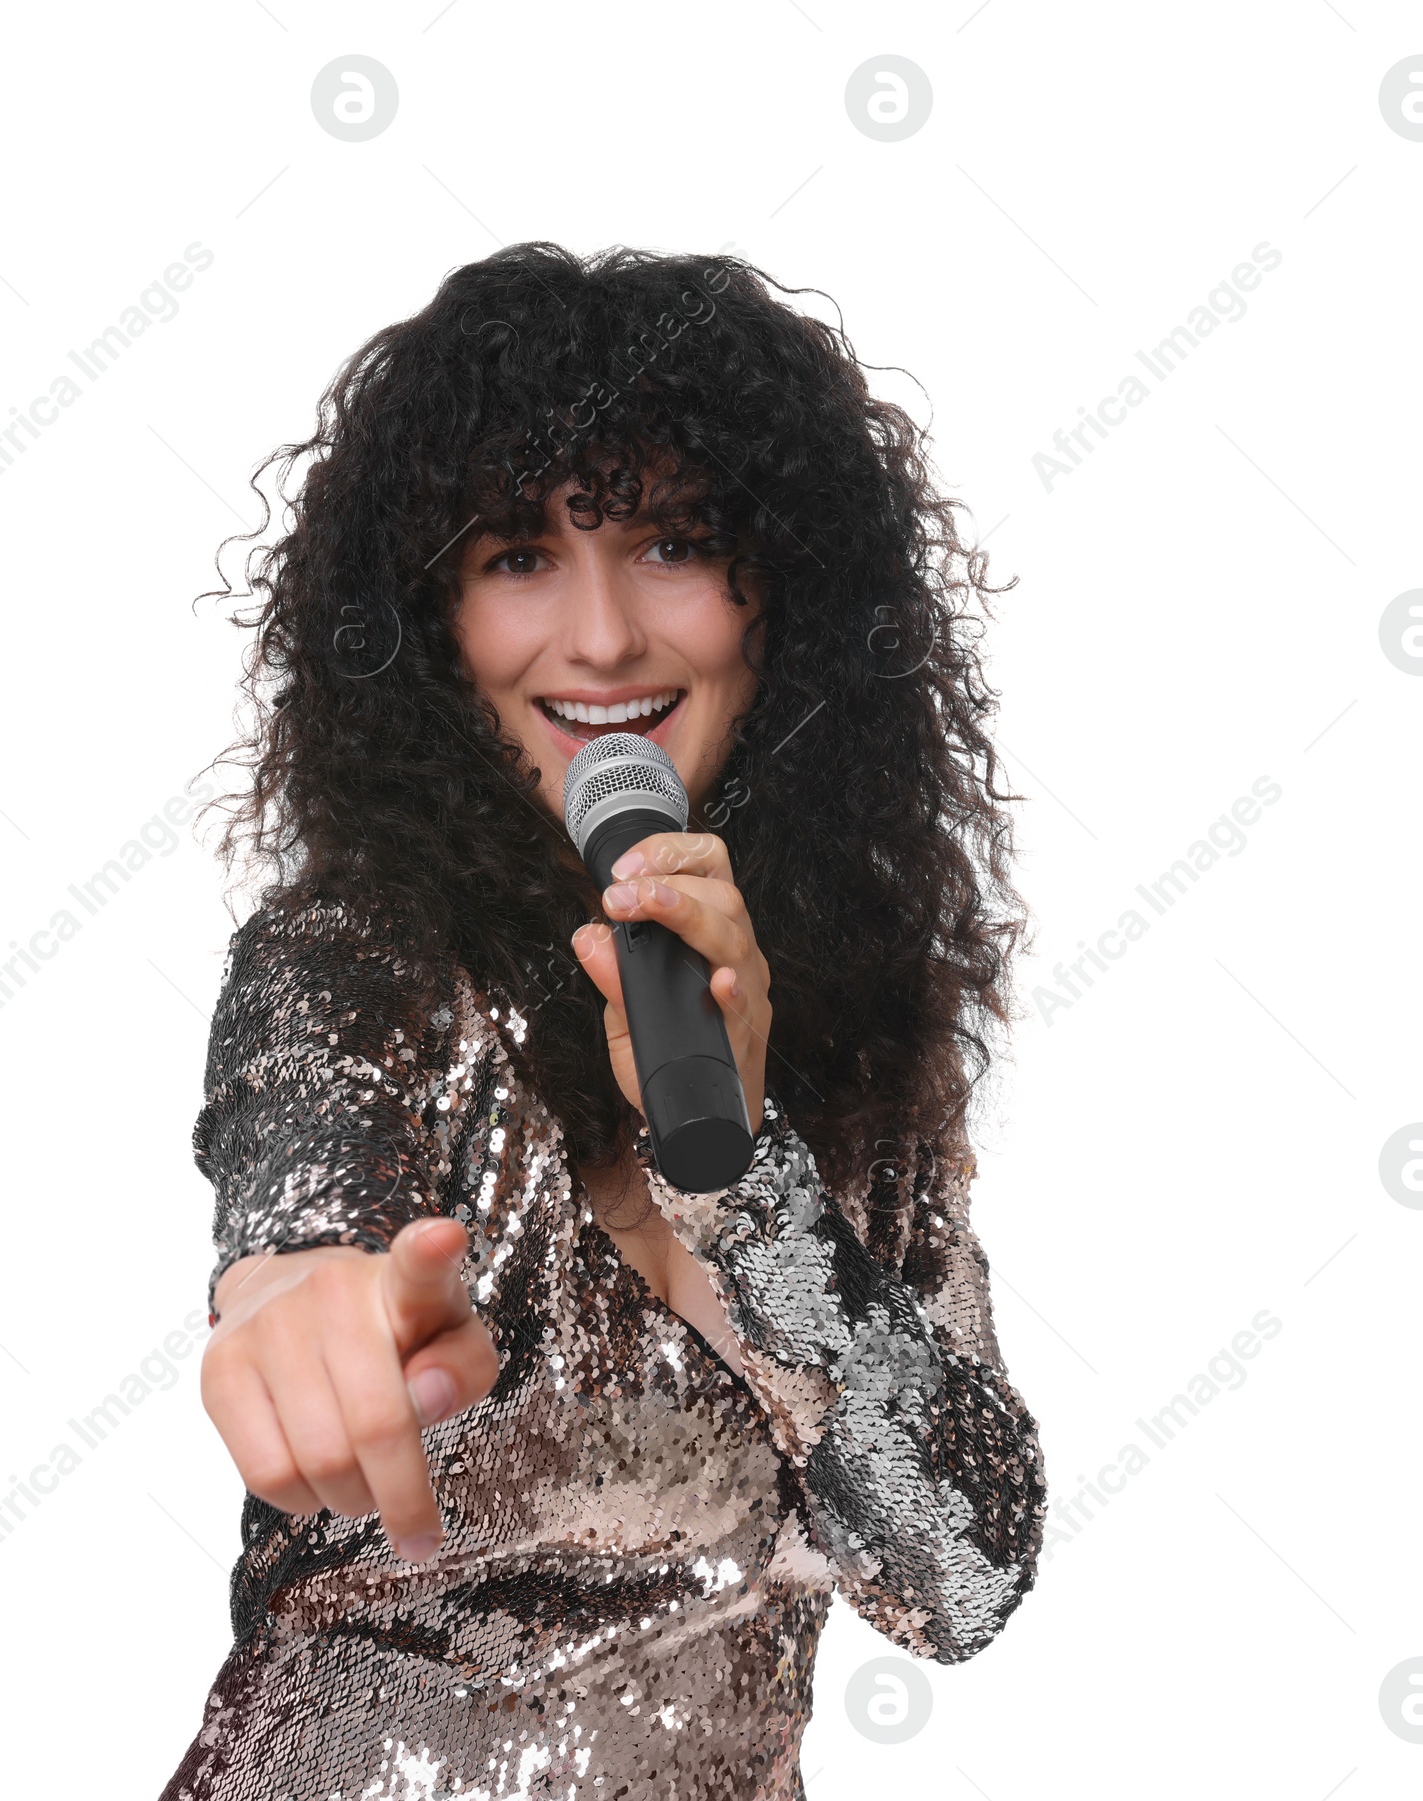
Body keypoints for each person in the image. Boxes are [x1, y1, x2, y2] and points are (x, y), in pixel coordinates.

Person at [159, 242, 1047, 1801]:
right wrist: (303, 1304)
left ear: (784, 600)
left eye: (672, 543)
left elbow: (959, 1580)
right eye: (517, 555)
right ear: (429, 622)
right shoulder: (350, 961)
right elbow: (302, 1201)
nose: (605, 639)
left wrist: (745, 1174)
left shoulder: (859, 1036)